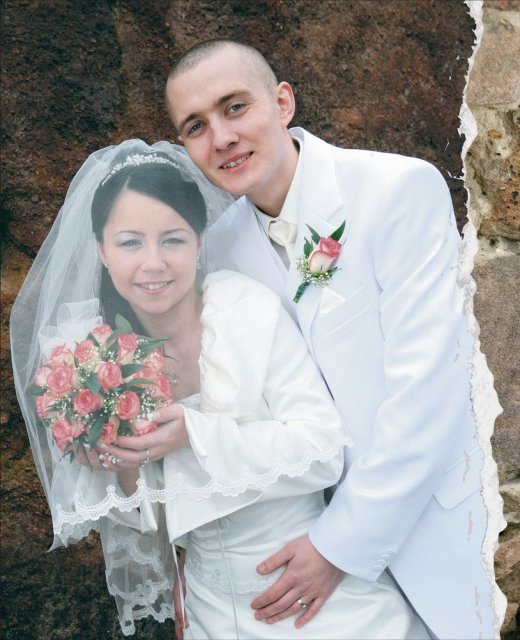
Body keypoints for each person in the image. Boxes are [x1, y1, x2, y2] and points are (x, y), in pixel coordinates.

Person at [10, 140, 429, 639]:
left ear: (200, 241)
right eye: (129, 243)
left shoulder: (249, 312)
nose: (153, 263)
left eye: (172, 239)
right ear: (102, 251)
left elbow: (323, 450)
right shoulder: (98, 361)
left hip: (312, 591)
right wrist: (118, 462)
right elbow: (146, 516)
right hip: (208, 610)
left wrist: (195, 434)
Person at [156, 39, 494, 640]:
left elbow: (429, 393)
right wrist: (199, 559)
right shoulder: (218, 249)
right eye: (196, 126)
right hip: (297, 560)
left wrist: (338, 546)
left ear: (283, 102)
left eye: (235, 107)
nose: (222, 138)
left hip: (425, 537)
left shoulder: (396, 190)